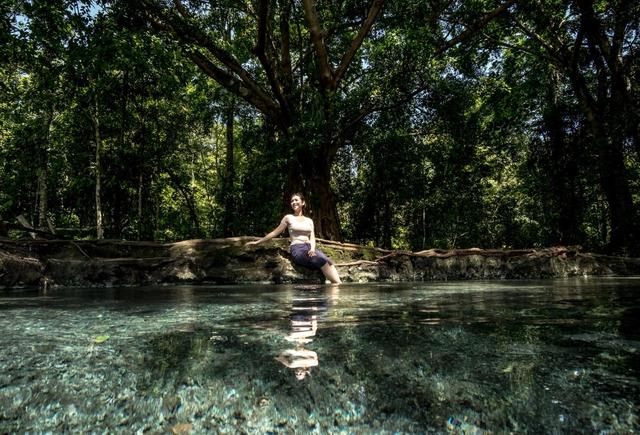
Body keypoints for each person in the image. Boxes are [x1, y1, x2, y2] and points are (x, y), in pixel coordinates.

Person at [246, 193, 342, 284]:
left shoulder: (309, 221)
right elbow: (275, 232)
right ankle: (337, 286)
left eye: (296, 200)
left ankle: (338, 286)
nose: (294, 202)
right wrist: (258, 242)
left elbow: (312, 237)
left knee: (329, 261)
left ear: (303, 202)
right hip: (298, 249)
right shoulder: (288, 218)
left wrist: (313, 249)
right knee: (320, 261)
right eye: (292, 201)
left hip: (310, 247)